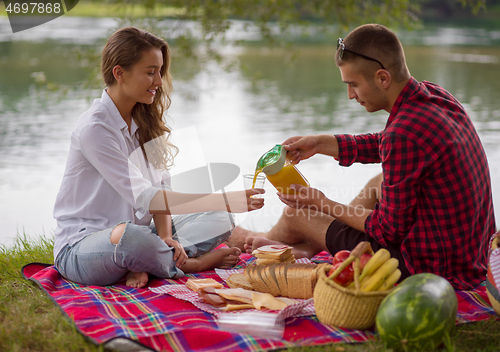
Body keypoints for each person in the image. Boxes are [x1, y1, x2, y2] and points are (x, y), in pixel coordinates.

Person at [226, 24, 496, 290]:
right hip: (467, 256)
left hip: (427, 267)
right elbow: (384, 143)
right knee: (380, 181)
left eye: (353, 84)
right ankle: (302, 248)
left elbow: (387, 231)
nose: (350, 95)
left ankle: (260, 245)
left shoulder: (402, 135)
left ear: (382, 78)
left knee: (297, 213)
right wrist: (322, 143)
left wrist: (322, 202)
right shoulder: (436, 96)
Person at [53, 27, 264, 288]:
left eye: (160, 71)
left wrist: (165, 235)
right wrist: (226, 198)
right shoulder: (95, 129)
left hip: (143, 235)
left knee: (219, 217)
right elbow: (145, 197)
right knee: (129, 238)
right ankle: (191, 264)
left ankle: (150, 262)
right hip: (83, 247)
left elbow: (160, 188)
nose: (159, 82)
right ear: (120, 73)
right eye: (150, 72)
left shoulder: (143, 119)